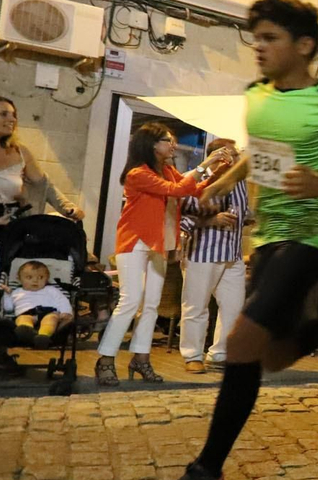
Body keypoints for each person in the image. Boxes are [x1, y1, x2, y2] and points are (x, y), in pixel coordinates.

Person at [138, 0, 318, 480]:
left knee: (240, 342)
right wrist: (220, 182)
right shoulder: (257, 95)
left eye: (270, 38)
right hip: (269, 236)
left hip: (314, 237)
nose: (258, 47)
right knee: (274, 356)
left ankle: (204, 474)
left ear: (304, 46)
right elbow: (260, 157)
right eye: (255, 37)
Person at [95, 122, 229, 386]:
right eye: (168, 140)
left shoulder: (167, 169)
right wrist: (206, 163)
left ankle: (141, 359)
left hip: (159, 242)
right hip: (135, 241)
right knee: (131, 301)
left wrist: (216, 172)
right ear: (152, 145)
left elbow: (192, 189)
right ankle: (106, 360)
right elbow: (177, 190)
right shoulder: (137, 174)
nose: (173, 145)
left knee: (152, 305)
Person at [0, 93, 84, 242]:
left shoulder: (20, 152)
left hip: (10, 228)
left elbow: (45, 185)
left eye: (13, 115)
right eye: (3, 114)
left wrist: (67, 208)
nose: (12, 119)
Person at [179, 138, 248, 375]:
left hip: (233, 252)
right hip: (202, 251)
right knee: (196, 306)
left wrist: (250, 217)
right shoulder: (193, 178)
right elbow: (180, 216)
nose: (236, 159)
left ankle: (220, 354)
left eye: (236, 155)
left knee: (233, 307)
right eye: (231, 155)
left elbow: (241, 211)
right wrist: (210, 220)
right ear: (216, 155)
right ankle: (192, 355)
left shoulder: (240, 182)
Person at [3, 260, 73, 348]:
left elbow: (62, 300)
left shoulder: (51, 290)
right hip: (26, 313)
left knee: (51, 319)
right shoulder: (16, 292)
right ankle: (28, 332)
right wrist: (7, 295)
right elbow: (8, 308)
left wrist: (66, 312)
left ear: (46, 279)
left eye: (40, 277)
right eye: (29, 277)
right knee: (22, 319)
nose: (35, 281)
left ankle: (43, 336)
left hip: (48, 312)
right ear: (19, 279)